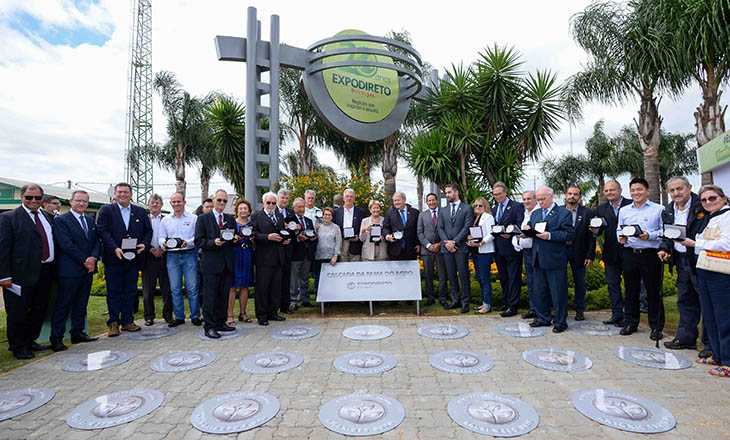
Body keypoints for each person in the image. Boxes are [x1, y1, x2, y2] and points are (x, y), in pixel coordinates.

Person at [679, 185, 730, 377]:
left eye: (712, 198)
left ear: (724, 198)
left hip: (722, 273)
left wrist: (695, 243)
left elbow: (725, 243)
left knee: (724, 318)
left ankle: (728, 361)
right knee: (710, 316)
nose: (708, 202)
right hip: (705, 269)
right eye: (704, 200)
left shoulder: (728, 216)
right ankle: (718, 355)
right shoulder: (711, 218)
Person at [0, 183, 55, 359]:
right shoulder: (9, 218)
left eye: (37, 198)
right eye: (29, 197)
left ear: (42, 199)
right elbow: (2, 248)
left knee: (39, 309)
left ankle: (31, 340)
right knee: (18, 312)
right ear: (22, 197)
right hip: (19, 274)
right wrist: (4, 275)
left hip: (44, 271)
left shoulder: (46, 217)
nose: (33, 200)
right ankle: (18, 346)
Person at [658, 177, 711, 354]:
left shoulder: (701, 205)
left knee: (706, 302)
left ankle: (710, 345)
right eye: (672, 191)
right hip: (681, 260)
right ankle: (686, 338)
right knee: (685, 300)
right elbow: (667, 234)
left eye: (679, 189)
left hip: (700, 259)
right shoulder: (668, 209)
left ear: (689, 188)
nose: (676, 193)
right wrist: (664, 249)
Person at [97, 182, 151, 336]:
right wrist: (114, 247)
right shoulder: (106, 210)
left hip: (133, 259)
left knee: (130, 290)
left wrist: (144, 244)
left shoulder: (140, 211)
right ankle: (114, 322)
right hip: (114, 258)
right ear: (115, 194)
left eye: (125, 192)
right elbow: (102, 230)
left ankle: (128, 321)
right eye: (119, 192)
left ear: (131, 194)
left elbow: (148, 231)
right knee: (113, 291)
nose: (122, 195)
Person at [49, 190, 100, 351]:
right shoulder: (61, 221)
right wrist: (85, 260)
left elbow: (97, 242)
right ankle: (56, 338)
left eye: (85, 201)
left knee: (81, 303)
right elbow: (66, 244)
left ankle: (77, 333)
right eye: (78, 200)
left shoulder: (91, 221)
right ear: (70, 202)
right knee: (63, 305)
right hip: (69, 270)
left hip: (87, 271)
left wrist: (93, 258)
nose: (81, 204)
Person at [616, 177, 665, 341]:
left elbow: (664, 231)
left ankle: (656, 327)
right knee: (630, 291)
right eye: (633, 190)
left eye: (639, 189)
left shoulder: (659, 209)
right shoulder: (624, 211)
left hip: (650, 254)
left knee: (653, 291)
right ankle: (631, 323)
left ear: (647, 191)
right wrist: (620, 238)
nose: (636, 193)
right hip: (630, 253)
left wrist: (649, 235)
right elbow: (618, 230)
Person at [524, 186, 574, 333]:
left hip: (555, 259)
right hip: (538, 258)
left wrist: (550, 235)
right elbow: (534, 231)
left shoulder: (563, 213)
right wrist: (526, 232)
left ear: (551, 197)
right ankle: (543, 317)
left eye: (542, 199)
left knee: (558, 292)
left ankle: (560, 321)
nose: (540, 202)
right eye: (538, 199)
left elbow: (569, 234)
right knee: (540, 291)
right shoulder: (536, 214)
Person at [194, 189, 236, 339]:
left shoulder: (230, 219)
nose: (222, 203)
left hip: (226, 263)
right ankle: (209, 326)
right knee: (209, 296)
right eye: (219, 200)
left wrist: (235, 239)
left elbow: (232, 238)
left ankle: (221, 322)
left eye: (225, 201)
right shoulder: (203, 219)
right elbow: (198, 241)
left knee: (223, 295)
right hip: (211, 264)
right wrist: (213, 242)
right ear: (213, 200)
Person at [590, 179, 632, 327]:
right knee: (612, 284)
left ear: (620, 190)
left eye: (612, 190)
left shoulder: (631, 205)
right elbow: (600, 229)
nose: (609, 193)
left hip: (629, 252)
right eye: (606, 191)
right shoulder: (601, 209)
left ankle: (630, 316)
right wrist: (595, 231)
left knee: (630, 285)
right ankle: (617, 314)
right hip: (610, 252)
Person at [159, 192, 201, 328]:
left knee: (192, 287)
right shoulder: (165, 220)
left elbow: (197, 237)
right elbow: (160, 237)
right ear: (170, 203)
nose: (176, 204)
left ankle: (195, 316)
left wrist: (187, 242)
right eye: (174, 202)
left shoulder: (193, 218)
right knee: (175, 288)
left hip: (189, 254)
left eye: (179, 201)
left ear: (184, 202)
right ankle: (179, 316)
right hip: (172, 256)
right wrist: (163, 244)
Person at [251, 192, 290, 326]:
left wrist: (284, 238)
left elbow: (280, 232)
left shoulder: (279, 216)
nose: (271, 205)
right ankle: (262, 316)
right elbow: (253, 234)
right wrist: (267, 237)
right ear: (264, 203)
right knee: (262, 288)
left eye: (273, 203)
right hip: (263, 258)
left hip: (278, 257)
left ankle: (273, 312)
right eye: (269, 203)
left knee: (275, 287)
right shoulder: (256, 216)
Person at [438, 183, 474, 313]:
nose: (447, 195)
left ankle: (465, 303)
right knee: (451, 276)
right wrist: (447, 243)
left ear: (456, 192)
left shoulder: (467, 209)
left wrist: (455, 242)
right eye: (446, 193)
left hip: (461, 248)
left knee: (463, 276)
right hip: (447, 248)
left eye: (449, 192)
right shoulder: (442, 210)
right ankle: (455, 300)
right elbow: (440, 228)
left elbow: (466, 227)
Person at [491, 181, 525, 317]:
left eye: (499, 194)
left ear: (505, 192)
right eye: (495, 195)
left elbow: (520, 224)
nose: (497, 196)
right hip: (498, 249)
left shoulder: (517, 207)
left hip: (512, 248)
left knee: (513, 277)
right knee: (503, 277)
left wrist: (510, 233)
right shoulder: (494, 209)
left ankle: (513, 306)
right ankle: (505, 302)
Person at [563, 185, 596, 321]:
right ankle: (562, 310)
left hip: (579, 253)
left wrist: (590, 255)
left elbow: (591, 236)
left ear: (580, 197)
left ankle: (580, 310)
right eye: (570, 194)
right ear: (565, 195)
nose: (572, 196)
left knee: (580, 283)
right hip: (561, 252)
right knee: (560, 282)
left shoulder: (587, 212)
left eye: (575, 194)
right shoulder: (558, 211)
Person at [141, 194, 172, 326]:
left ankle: (168, 315)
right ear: (148, 205)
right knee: (148, 290)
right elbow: (140, 236)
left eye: (157, 202)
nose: (155, 204)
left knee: (167, 289)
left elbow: (172, 236)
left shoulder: (167, 219)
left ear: (161, 205)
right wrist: (151, 249)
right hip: (148, 257)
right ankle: (149, 316)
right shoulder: (143, 219)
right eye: (152, 202)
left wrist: (162, 249)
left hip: (165, 256)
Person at [418, 193, 448, 307]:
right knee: (428, 275)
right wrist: (428, 245)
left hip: (441, 249)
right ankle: (430, 297)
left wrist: (440, 244)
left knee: (442, 275)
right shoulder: (422, 215)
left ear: (437, 201)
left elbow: (447, 230)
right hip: (427, 250)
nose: (431, 202)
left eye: (433, 200)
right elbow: (419, 232)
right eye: (429, 201)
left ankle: (442, 297)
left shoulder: (444, 213)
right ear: (426, 202)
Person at [512, 191, 539, 319]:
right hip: (526, 251)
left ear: (535, 200)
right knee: (531, 281)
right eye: (524, 199)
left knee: (539, 281)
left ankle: (541, 310)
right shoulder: (525, 212)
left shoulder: (538, 213)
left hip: (536, 250)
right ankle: (533, 308)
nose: (526, 201)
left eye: (529, 199)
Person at [467, 197, 495, 314]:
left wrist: (481, 243)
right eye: (475, 205)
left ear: (485, 207)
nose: (477, 207)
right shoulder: (474, 218)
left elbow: (492, 234)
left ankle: (487, 305)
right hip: (476, 251)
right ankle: (484, 303)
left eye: (480, 205)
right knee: (479, 277)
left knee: (484, 278)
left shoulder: (489, 218)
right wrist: (469, 237)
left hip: (485, 251)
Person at [229, 199, 255, 325]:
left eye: (245, 208)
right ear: (237, 211)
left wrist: (253, 240)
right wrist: (233, 239)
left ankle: (243, 313)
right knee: (232, 286)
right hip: (235, 254)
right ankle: (229, 315)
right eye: (241, 208)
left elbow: (256, 243)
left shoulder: (252, 225)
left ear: (249, 211)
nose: (243, 210)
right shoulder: (232, 223)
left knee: (244, 285)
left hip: (247, 254)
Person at [290, 198, 316, 309]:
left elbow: (313, 234)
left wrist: (313, 238)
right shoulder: (290, 221)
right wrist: (298, 238)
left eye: (303, 207)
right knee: (294, 279)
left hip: (307, 253)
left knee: (305, 278)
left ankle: (305, 299)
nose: (301, 209)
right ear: (294, 208)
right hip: (295, 253)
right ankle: (293, 301)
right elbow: (289, 236)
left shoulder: (308, 220)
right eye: (299, 207)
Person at [383, 191, 420, 261]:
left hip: (411, 249)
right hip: (395, 250)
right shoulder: (389, 213)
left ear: (404, 200)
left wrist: (419, 244)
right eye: (394, 201)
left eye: (398, 200)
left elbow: (418, 229)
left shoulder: (415, 212)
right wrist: (388, 236)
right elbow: (385, 227)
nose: (396, 202)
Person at [276, 189, 296, 315]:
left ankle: (285, 306)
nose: (284, 200)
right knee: (275, 280)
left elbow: (294, 229)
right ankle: (274, 306)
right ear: (278, 198)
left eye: (287, 198)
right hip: (275, 250)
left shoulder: (290, 212)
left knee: (286, 279)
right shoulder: (273, 210)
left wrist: (292, 234)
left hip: (288, 250)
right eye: (282, 197)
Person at [334, 188, 365, 262]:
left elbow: (363, 225)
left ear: (354, 198)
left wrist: (358, 235)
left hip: (355, 242)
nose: (349, 198)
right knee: (343, 263)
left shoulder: (360, 211)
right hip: (342, 241)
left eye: (351, 196)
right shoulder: (336, 212)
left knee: (355, 265)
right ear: (343, 198)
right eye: (347, 196)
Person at [314, 208, 342, 290]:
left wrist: (336, 255)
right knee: (319, 278)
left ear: (332, 216)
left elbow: (338, 242)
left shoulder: (336, 227)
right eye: (325, 214)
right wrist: (316, 230)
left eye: (329, 215)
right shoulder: (318, 227)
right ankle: (319, 297)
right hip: (319, 256)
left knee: (331, 280)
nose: (327, 216)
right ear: (322, 216)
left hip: (331, 258)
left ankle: (331, 299)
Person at [304, 189, 323, 298]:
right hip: (303, 243)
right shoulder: (301, 210)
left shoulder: (318, 211)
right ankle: (303, 296)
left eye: (312, 198)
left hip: (316, 243)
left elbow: (324, 224)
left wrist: (320, 227)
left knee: (316, 270)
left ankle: (317, 294)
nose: (310, 200)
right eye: (308, 198)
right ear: (305, 198)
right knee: (304, 271)